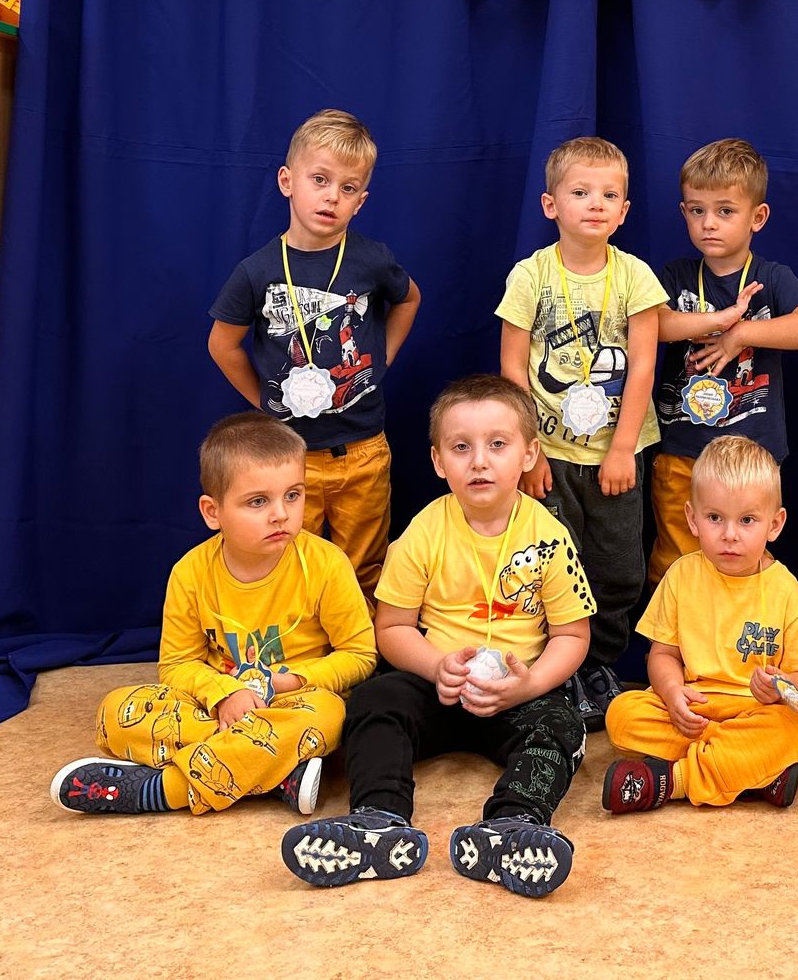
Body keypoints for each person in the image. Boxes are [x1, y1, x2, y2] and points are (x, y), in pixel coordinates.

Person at [282, 376, 593, 897]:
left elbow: (573, 636)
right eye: (461, 447)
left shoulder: (550, 537)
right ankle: (378, 820)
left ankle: (512, 826)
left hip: (516, 693)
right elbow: (391, 628)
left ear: (529, 454)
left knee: (564, 726)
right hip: (436, 686)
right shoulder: (424, 532)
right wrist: (435, 667)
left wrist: (530, 684)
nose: (479, 462)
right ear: (437, 461)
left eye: (498, 444)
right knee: (374, 701)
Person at [51, 413, 375, 816]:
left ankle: (166, 790)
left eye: (293, 495)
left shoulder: (327, 564)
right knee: (115, 712)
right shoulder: (190, 572)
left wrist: (288, 681)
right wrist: (224, 695)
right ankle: (272, 774)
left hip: (294, 704)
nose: (281, 513)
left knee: (331, 714)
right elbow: (177, 664)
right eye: (258, 501)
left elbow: (360, 655)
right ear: (212, 512)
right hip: (218, 706)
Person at [208, 108, 422, 594]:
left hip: (363, 450)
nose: (331, 196)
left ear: (360, 202)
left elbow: (409, 299)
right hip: (288, 457)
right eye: (320, 180)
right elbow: (222, 345)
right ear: (287, 181)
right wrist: (263, 401)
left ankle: (359, 641)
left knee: (363, 569)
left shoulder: (371, 259)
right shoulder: (256, 271)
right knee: (288, 566)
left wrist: (382, 358)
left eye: (348, 188)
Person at [497, 135, 666, 726]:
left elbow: (643, 365)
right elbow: (512, 368)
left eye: (610, 195)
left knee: (618, 568)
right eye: (581, 192)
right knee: (551, 568)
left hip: (616, 456)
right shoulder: (531, 275)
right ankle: (555, 670)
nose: (596, 204)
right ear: (551, 205)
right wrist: (528, 454)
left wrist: (622, 449)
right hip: (549, 455)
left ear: (624, 211)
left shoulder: (635, 276)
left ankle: (598, 666)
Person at [602, 436, 798, 812]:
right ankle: (751, 770)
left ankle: (671, 781)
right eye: (714, 518)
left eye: (747, 520)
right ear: (692, 519)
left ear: (775, 524)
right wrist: (673, 694)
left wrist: (781, 687)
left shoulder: (792, 595)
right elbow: (662, 655)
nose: (729, 534)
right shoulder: (681, 575)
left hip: (757, 712)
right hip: (697, 705)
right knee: (623, 714)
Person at [649, 138, 798, 584]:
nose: (708, 223)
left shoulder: (771, 278)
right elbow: (653, 325)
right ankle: (675, 629)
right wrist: (717, 320)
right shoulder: (676, 275)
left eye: (725, 211)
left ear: (757, 217)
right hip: (684, 451)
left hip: (753, 455)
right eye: (696, 210)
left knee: (743, 558)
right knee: (675, 561)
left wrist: (742, 333)